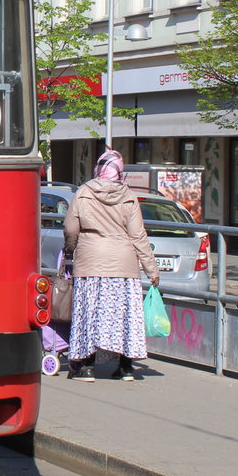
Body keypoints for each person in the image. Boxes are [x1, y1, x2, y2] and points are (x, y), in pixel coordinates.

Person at [62, 149, 160, 382]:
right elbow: (138, 235)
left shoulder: (84, 192)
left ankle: (87, 367)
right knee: (123, 316)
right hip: (123, 265)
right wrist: (151, 270)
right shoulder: (128, 196)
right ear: (119, 171)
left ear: (98, 168)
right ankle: (126, 368)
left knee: (90, 314)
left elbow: (71, 228)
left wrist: (70, 249)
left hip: (91, 261)